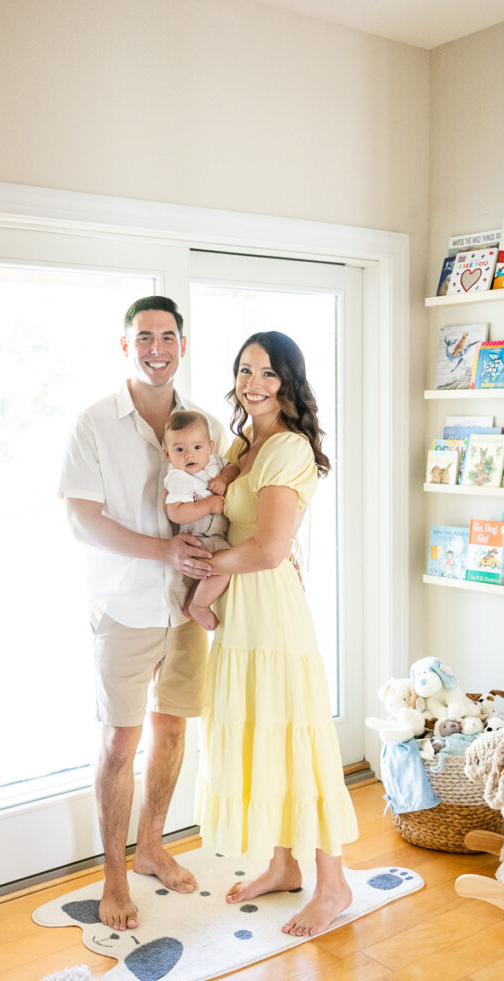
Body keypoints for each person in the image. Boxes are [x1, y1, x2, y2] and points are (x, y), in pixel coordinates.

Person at [59, 295, 226, 931]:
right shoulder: (95, 422)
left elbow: (228, 495)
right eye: (144, 337)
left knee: (175, 729)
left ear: (183, 344)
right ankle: (114, 876)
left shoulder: (204, 422)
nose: (157, 347)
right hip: (124, 607)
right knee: (118, 743)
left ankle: (153, 846)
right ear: (125, 346)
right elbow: (80, 520)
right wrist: (164, 549)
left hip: (185, 610)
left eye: (168, 336)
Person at [195, 330, 359, 937]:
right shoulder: (243, 441)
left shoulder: (286, 447)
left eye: (267, 373)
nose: (253, 384)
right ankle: (283, 865)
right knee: (263, 737)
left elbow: (267, 550)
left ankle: (333, 883)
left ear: (288, 381)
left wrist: (206, 570)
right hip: (242, 613)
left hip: (271, 614)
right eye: (244, 371)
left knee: (297, 741)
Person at [163, 409, 238, 630]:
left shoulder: (214, 462)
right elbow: (175, 512)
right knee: (224, 565)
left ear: (210, 447)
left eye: (197, 447)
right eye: (179, 450)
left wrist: (224, 479)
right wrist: (207, 505)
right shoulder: (178, 477)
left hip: (216, 534)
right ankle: (200, 606)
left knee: (213, 571)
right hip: (199, 538)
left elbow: (234, 467)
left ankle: (192, 605)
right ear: (168, 455)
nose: (189, 455)